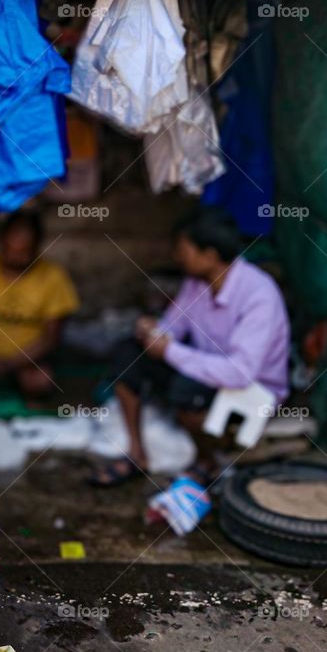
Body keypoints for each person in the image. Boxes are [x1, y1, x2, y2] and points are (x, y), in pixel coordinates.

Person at [92, 206, 290, 486]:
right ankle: (137, 454)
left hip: (252, 387)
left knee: (186, 389)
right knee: (128, 354)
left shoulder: (259, 295)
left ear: (209, 256)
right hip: (205, 366)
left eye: (184, 250)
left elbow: (239, 373)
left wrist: (170, 350)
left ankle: (207, 461)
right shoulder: (198, 282)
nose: (177, 257)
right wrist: (154, 332)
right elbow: (175, 324)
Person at [0, 210, 78, 398]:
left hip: (30, 360)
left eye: (23, 252)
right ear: (2, 243)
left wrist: (6, 365)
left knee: (40, 381)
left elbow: (52, 338)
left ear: (36, 248)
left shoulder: (53, 277)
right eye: (11, 251)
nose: (16, 257)